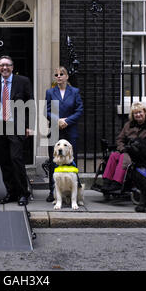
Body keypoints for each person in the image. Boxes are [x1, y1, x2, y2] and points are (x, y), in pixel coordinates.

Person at [0, 55, 34, 206]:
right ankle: (11, 192)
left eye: (8, 65)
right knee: (4, 162)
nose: (5, 68)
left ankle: (23, 193)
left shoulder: (23, 81)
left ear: (12, 67)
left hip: (16, 126)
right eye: (2, 65)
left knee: (16, 159)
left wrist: (29, 125)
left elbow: (30, 104)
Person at [97, 101, 146, 193]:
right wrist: (122, 148)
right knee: (114, 155)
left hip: (142, 154)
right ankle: (107, 182)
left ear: (145, 112)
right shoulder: (128, 125)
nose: (138, 115)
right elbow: (120, 139)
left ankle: (117, 183)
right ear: (133, 115)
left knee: (124, 157)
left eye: (140, 112)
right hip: (127, 150)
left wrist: (137, 149)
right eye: (135, 113)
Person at [45, 66, 84, 202]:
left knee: (72, 160)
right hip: (55, 129)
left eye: (61, 74)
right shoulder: (50, 92)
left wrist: (67, 121)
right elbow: (47, 111)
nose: (59, 76)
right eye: (56, 74)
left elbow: (79, 110)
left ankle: (75, 192)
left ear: (67, 76)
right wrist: (57, 120)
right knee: (53, 161)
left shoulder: (74, 92)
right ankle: (53, 192)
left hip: (70, 129)